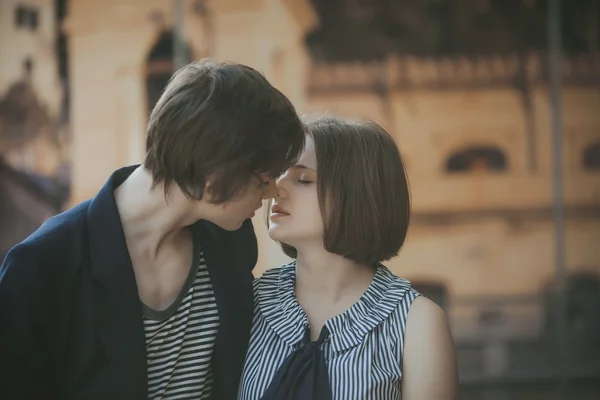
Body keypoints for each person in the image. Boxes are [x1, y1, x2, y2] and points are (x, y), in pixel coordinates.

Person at [0, 60, 305, 400]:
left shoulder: (230, 240)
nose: (272, 193)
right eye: (263, 179)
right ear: (213, 173)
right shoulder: (40, 269)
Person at [238, 115, 458, 400]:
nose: (277, 188)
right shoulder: (250, 303)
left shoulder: (416, 323)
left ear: (357, 194)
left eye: (303, 179)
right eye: (280, 173)